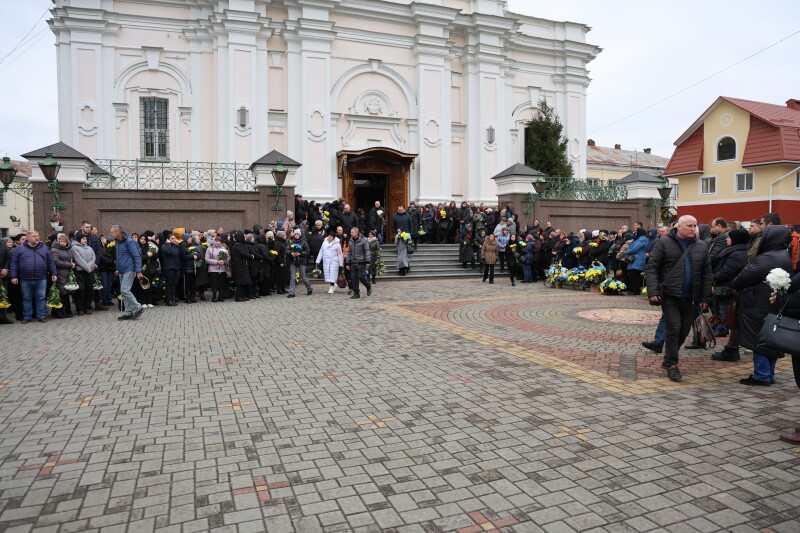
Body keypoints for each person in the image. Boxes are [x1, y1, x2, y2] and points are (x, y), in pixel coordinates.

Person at [645, 215, 712, 382]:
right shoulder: (664, 243)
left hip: (691, 297)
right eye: (689, 225)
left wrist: (705, 298)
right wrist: (653, 290)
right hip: (670, 295)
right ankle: (672, 364)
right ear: (679, 227)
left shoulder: (702, 246)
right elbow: (652, 268)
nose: (693, 228)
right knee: (674, 328)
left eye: (695, 225)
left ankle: (669, 358)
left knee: (683, 331)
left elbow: (706, 274)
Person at [731, 225, 793, 386]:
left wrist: (735, 284)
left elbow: (744, 276)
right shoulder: (784, 254)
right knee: (771, 339)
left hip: (758, 303)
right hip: (773, 303)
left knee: (759, 338)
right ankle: (768, 373)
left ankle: (762, 375)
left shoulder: (767, 257)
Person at [709, 228, 749, 362]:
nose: (726, 239)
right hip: (728, 288)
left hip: (730, 289)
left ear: (735, 239)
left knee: (732, 318)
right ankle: (731, 347)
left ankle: (732, 348)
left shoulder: (737, 253)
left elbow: (727, 271)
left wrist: (713, 278)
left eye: (729, 237)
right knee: (731, 318)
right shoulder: (735, 251)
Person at [9, 231, 58, 323]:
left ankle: (41, 316)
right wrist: (13, 276)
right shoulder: (19, 249)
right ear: (27, 238)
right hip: (25, 278)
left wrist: (54, 273)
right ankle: (27, 316)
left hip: (41, 278)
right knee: (26, 298)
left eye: (38, 236)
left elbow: (51, 262)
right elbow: (13, 264)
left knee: (41, 298)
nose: (37, 237)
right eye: (34, 236)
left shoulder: (44, 248)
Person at [110, 225, 144, 321]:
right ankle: (128, 312)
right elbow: (119, 257)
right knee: (124, 292)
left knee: (125, 290)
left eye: (112, 232)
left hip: (130, 269)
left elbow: (137, 256)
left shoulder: (129, 242)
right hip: (121, 270)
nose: (110, 234)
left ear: (118, 233)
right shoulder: (117, 242)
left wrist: (138, 271)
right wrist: (117, 268)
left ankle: (138, 307)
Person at [80, 220, 108, 311]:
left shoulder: (94, 238)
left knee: (96, 286)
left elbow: (98, 252)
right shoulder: (78, 237)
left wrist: (96, 263)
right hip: (82, 266)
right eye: (86, 227)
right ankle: (82, 306)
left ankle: (97, 303)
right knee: (83, 288)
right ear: (82, 227)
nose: (88, 229)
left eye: (89, 227)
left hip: (94, 266)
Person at [50, 233, 75, 319]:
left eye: (65, 241)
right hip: (60, 273)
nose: (63, 243)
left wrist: (72, 264)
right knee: (61, 293)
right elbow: (56, 261)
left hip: (68, 274)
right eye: (61, 241)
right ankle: (59, 311)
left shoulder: (68, 249)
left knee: (66, 293)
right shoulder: (54, 250)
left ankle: (66, 310)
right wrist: (69, 264)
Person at [72, 231, 97, 315]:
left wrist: (89, 267)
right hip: (80, 272)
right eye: (83, 238)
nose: (85, 240)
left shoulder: (89, 248)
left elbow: (93, 258)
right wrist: (88, 267)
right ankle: (80, 308)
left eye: (85, 238)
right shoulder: (74, 248)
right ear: (79, 239)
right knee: (80, 290)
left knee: (89, 290)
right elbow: (79, 260)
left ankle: (87, 307)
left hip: (89, 272)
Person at [346, 227, 371, 299]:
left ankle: (368, 285)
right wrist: (347, 263)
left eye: (352, 232)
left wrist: (368, 260)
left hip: (361, 261)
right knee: (353, 278)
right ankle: (356, 293)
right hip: (353, 261)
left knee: (361, 277)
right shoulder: (350, 240)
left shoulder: (364, 240)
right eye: (351, 232)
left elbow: (367, 250)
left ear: (357, 233)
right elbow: (349, 252)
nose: (351, 234)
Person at [623, 228, 648, 295]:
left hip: (638, 259)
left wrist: (625, 252)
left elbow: (635, 249)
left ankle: (636, 291)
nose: (634, 233)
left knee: (635, 276)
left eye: (636, 232)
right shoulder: (637, 238)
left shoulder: (642, 239)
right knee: (632, 275)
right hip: (634, 259)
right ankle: (633, 290)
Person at [287, 229, 312, 298]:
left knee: (303, 277)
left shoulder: (304, 242)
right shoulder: (291, 242)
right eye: (295, 234)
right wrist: (291, 253)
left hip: (301, 261)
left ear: (300, 235)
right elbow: (287, 250)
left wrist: (300, 253)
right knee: (292, 277)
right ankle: (292, 292)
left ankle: (309, 288)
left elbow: (307, 251)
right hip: (293, 261)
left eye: (297, 234)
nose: (296, 235)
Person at [160, 234, 181, 306]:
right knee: (169, 284)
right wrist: (168, 243)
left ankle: (173, 299)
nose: (174, 240)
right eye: (172, 238)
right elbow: (169, 252)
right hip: (168, 267)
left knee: (174, 284)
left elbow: (181, 253)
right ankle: (168, 300)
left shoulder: (177, 246)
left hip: (176, 267)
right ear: (168, 239)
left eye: (175, 238)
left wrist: (179, 243)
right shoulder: (165, 246)